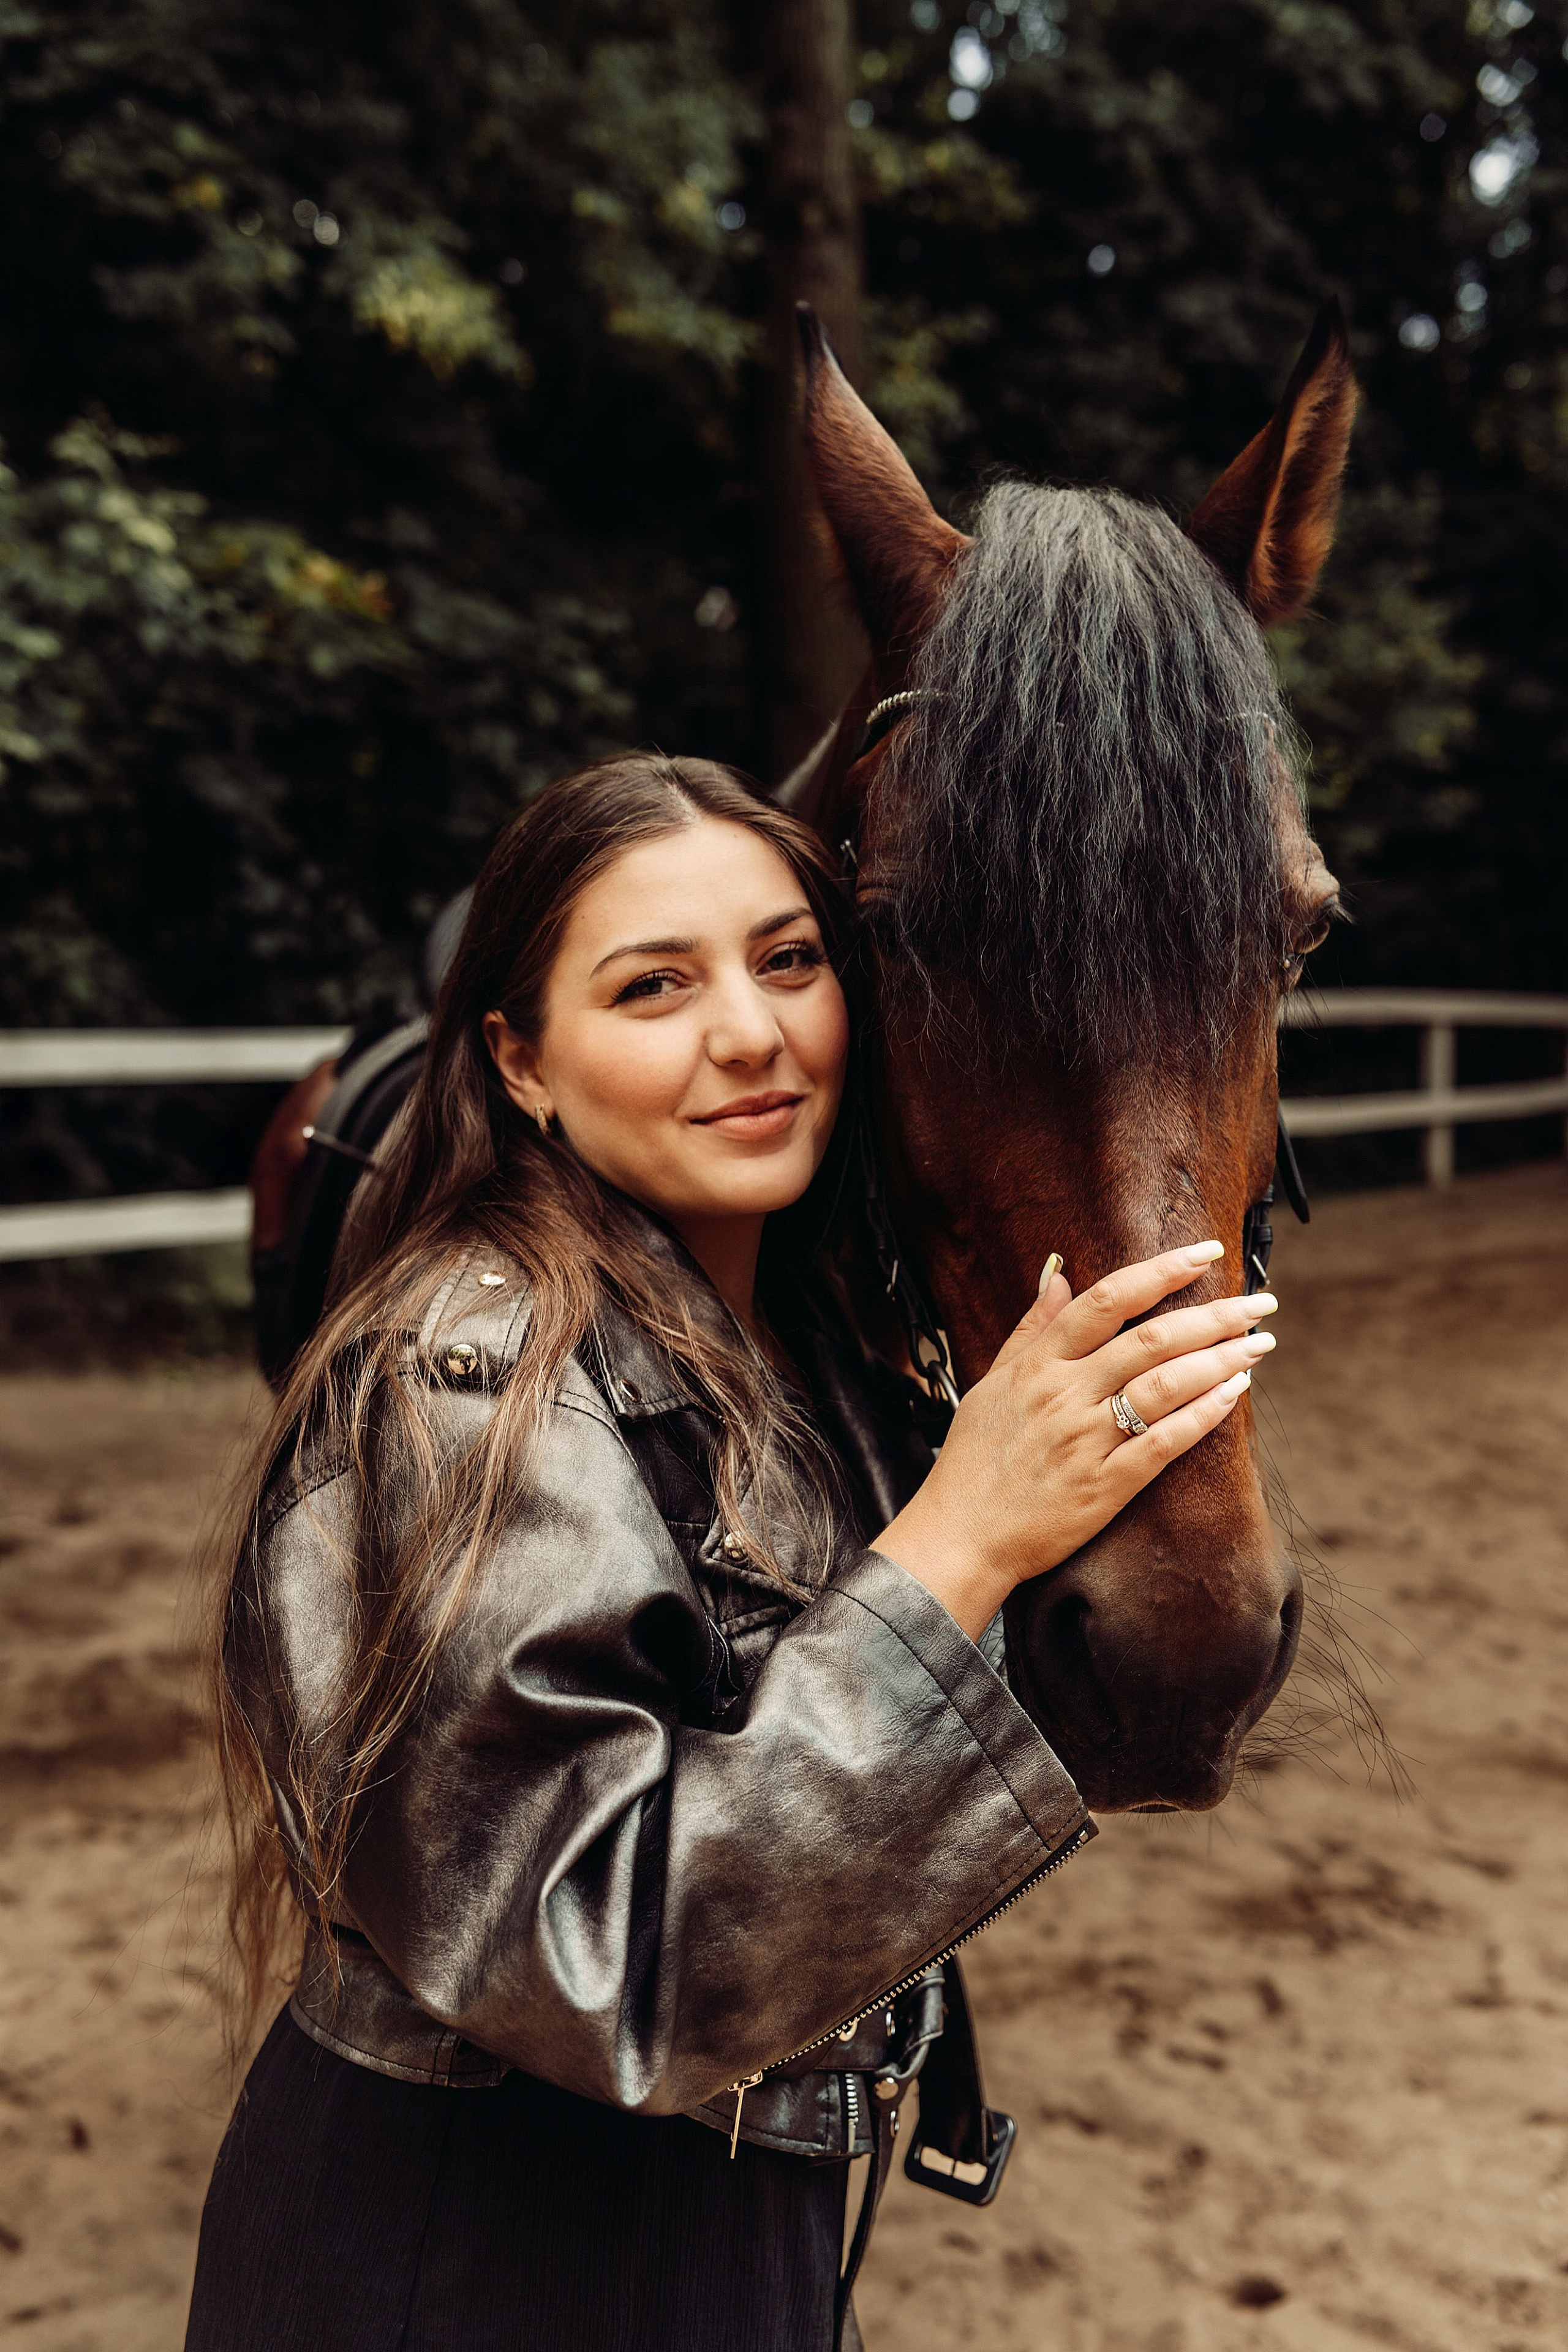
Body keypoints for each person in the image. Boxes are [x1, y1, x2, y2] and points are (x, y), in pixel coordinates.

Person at [187, 753, 1275, 2352]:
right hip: (480, 2255)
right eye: (651, 987)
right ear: (522, 1061)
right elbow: (599, 1960)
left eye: (789, 960)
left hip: (729, 2216)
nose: (752, 1033)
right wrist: (959, 1538)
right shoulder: (463, 1387)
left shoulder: (808, 1341)